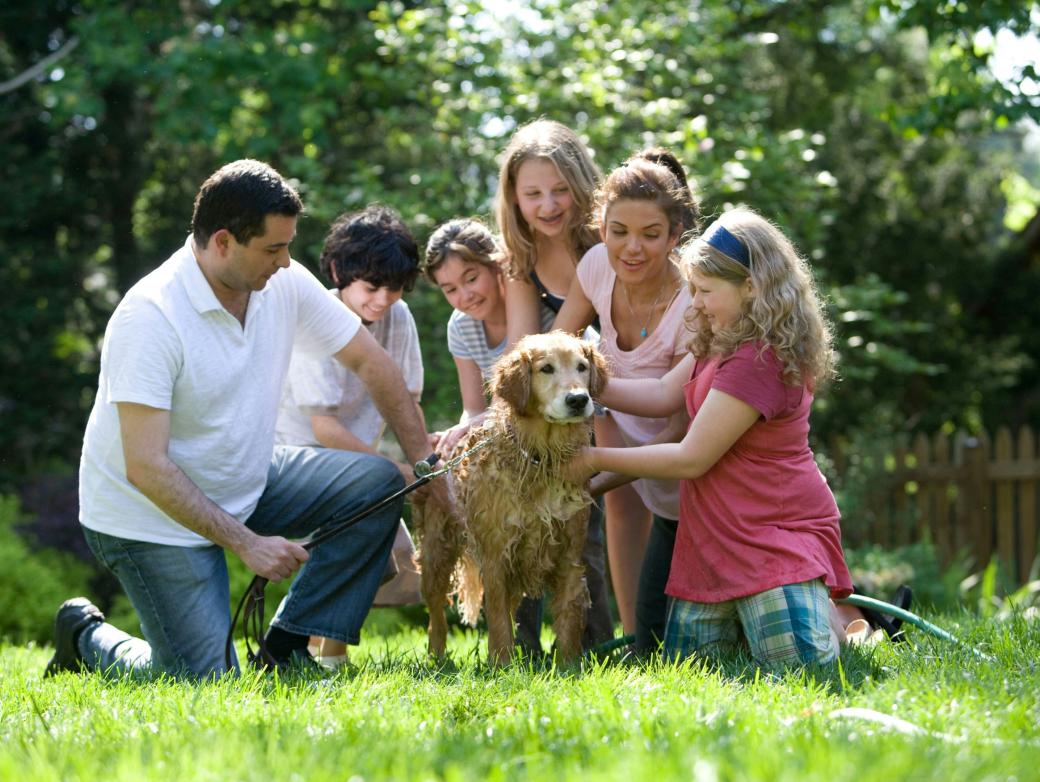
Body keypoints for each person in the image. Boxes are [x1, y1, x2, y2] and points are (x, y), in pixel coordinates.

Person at [46, 160, 450, 680]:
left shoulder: (280, 282)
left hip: (248, 476)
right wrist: (247, 543)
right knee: (205, 680)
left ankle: (286, 648)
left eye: (288, 247)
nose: (285, 263)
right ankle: (86, 636)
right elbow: (145, 466)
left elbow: (372, 363)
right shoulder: (149, 316)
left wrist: (425, 467)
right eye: (273, 249)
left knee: (376, 483)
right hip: (150, 517)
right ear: (221, 242)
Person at [564, 207, 854, 668]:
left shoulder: (759, 359)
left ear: (751, 288)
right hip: (714, 543)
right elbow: (662, 394)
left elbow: (691, 458)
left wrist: (593, 458)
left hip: (770, 540)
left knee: (800, 665)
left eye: (703, 291)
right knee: (692, 671)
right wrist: (574, 383)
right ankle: (826, 621)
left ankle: (847, 629)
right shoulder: (722, 337)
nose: (693, 303)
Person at [423, 217, 613, 653]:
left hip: (566, 446)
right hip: (507, 446)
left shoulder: (546, 320)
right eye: (450, 288)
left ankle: (594, 644)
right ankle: (519, 649)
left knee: (583, 548)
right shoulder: (461, 327)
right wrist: (462, 432)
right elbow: (474, 406)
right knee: (509, 542)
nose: (465, 294)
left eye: (471, 278)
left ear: (498, 266)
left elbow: (581, 378)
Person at [554, 149, 700, 654]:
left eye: (650, 235)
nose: (631, 248)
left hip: (700, 486)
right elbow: (556, 347)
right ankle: (637, 641)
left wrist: (590, 478)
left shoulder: (695, 304)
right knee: (651, 643)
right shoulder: (596, 267)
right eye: (618, 231)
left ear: (675, 235)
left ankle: (856, 617)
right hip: (639, 473)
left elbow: (679, 428)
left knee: (709, 637)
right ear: (600, 227)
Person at [275, 204, 426, 669]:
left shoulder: (397, 318)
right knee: (363, 536)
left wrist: (423, 464)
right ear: (340, 271)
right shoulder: (313, 317)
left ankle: (319, 650)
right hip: (299, 459)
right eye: (371, 287)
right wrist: (395, 471)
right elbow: (325, 429)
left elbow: (406, 402)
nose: (382, 300)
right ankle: (321, 654)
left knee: (389, 556)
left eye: (395, 288)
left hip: (359, 464)